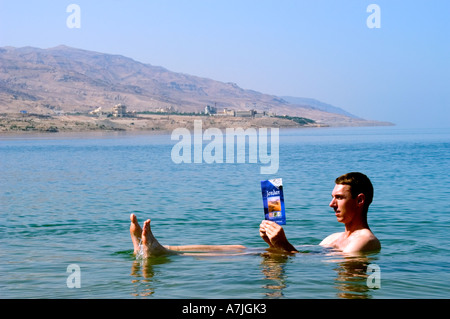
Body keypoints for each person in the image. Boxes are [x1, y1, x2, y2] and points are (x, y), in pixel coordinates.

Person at [130, 172, 380, 257]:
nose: (331, 204)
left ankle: (160, 251)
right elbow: (306, 256)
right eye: (332, 197)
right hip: (284, 259)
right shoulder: (333, 237)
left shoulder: (365, 240)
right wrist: (275, 243)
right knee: (241, 248)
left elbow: (314, 265)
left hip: (287, 266)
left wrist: (284, 246)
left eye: (338, 198)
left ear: (359, 200)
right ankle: (160, 248)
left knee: (244, 254)